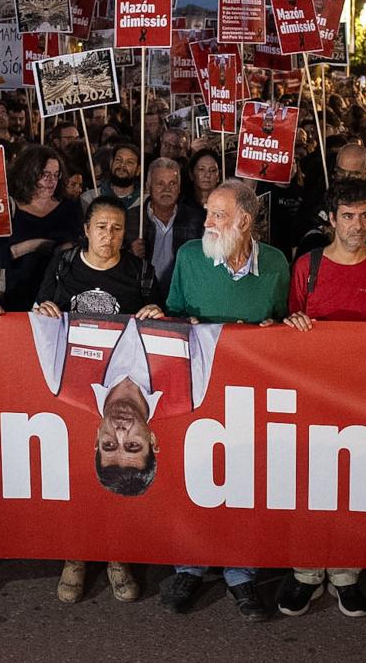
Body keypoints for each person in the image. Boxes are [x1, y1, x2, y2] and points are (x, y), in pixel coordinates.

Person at [0, 196, 163, 604]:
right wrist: (43, 310)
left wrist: (158, 311)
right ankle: (76, 556)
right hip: (72, 392)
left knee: (115, 477)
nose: (109, 235)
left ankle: (116, 556)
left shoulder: (139, 271)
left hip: (117, 397)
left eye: (117, 228)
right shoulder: (64, 265)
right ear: (86, 230)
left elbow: (160, 328)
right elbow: (39, 316)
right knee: (74, 479)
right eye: (101, 227)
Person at [274, 179, 366, 620]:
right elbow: (288, 328)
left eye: (365, 216)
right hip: (313, 399)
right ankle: (306, 572)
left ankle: (346, 573)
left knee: (356, 486)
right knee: (309, 485)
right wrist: (292, 321)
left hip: (365, 402)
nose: (359, 226)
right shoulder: (307, 266)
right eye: (349, 217)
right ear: (331, 220)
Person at [160, 178, 289, 621]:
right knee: (195, 477)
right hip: (198, 391)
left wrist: (278, 331)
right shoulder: (190, 257)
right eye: (209, 212)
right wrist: (180, 320)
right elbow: (174, 312)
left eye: (219, 214)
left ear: (245, 221)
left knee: (245, 481)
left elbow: (285, 324)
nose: (208, 222)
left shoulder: (275, 263)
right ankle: (189, 568)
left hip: (250, 396)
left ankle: (241, 573)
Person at [0, 146, 82, 312]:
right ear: (28, 173)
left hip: (57, 297)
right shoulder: (6, 206)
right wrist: (33, 246)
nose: (51, 181)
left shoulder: (70, 207)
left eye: (55, 174)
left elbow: (78, 248)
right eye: (45, 175)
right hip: (14, 296)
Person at [130, 158, 203, 294]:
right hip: (140, 295)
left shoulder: (197, 220)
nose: (167, 189)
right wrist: (130, 255)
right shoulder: (131, 219)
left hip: (182, 295)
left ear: (179, 188)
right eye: (160, 184)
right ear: (148, 187)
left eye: (172, 183)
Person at [81, 142, 142, 211]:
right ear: (111, 163)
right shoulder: (89, 198)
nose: (122, 165)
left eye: (129, 162)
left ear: (138, 170)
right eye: (118, 160)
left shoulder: (144, 202)